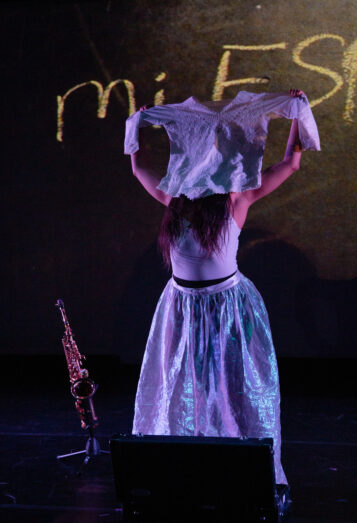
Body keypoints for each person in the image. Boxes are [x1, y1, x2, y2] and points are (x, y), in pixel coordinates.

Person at [129, 89, 306, 489]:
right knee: (183, 385)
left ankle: (239, 463)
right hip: (183, 305)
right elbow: (138, 167)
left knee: (231, 386)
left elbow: (290, 163)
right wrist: (136, 125)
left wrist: (295, 111)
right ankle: (185, 462)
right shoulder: (175, 202)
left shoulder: (236, 200)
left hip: (228, 305)